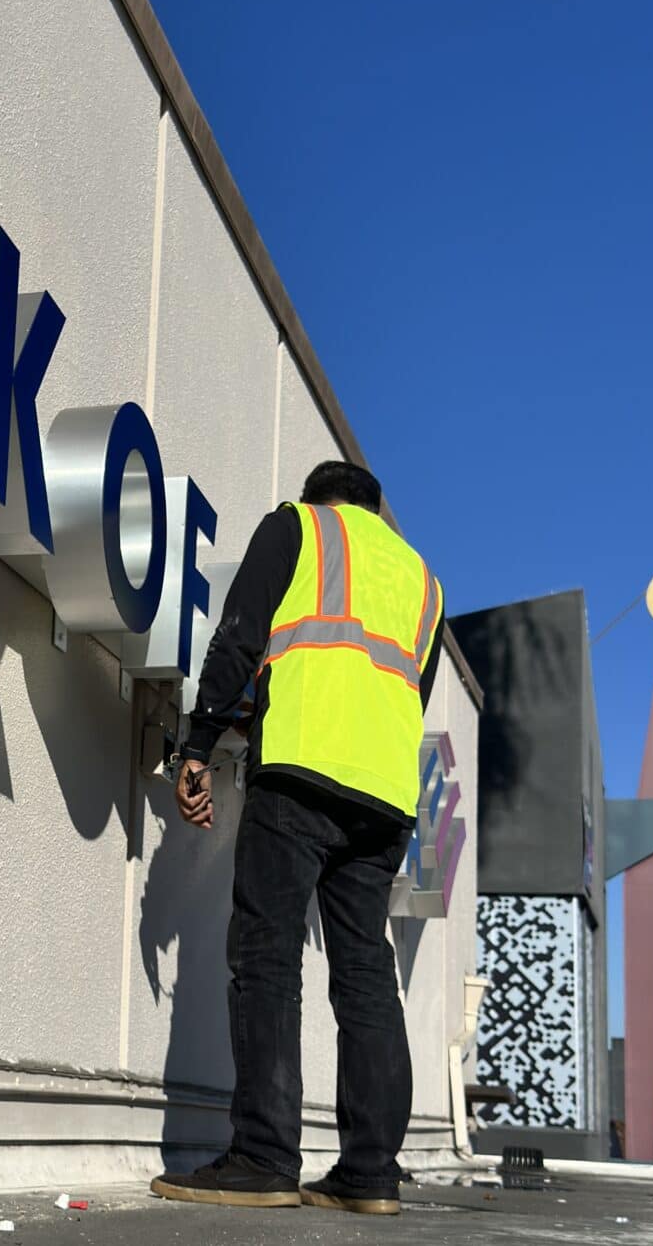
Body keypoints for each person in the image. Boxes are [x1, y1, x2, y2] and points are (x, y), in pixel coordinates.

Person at [149, 460, 443, 1215]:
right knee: (367, 979)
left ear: (321, 498)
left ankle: (264, 1158)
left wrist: (198, 742)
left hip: (302, 772)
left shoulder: (299, 526)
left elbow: (242, 636)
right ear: (377, 510)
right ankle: (370, 1174)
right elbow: (403, 690)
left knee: (267, 958)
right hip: (384, 798)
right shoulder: (423, 582)